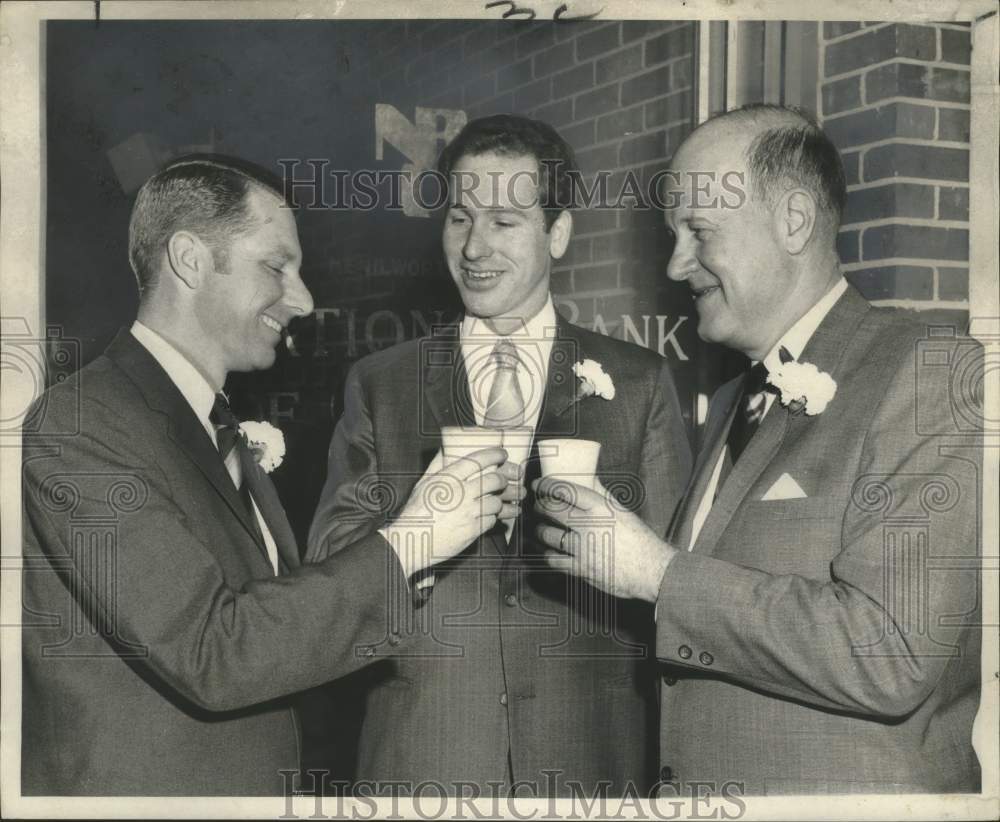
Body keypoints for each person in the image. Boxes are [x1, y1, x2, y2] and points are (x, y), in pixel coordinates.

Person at [20, 155, 508, 796]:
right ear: (190, 260)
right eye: (276, 267)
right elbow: (211, 652)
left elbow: (274, 624)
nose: (304, 299)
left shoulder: (210, 421)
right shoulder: (83, 426)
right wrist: (414, 539)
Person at [533, 104, 982, 795]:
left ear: (794, 221)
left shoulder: (931, 371)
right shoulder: (740, 397)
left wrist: (658, 573)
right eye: (672, 233)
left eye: (698, 230)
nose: (676, 262)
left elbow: (890, 652)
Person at [307, 115, 692, 796]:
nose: (474, 247)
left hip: (592, 766)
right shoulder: (382, 383)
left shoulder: (638, 382)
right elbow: (329, 573)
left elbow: (676, 591)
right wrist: (421, 538)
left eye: (505, 221)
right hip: (424, 761)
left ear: (559, 232)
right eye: (459, 218)